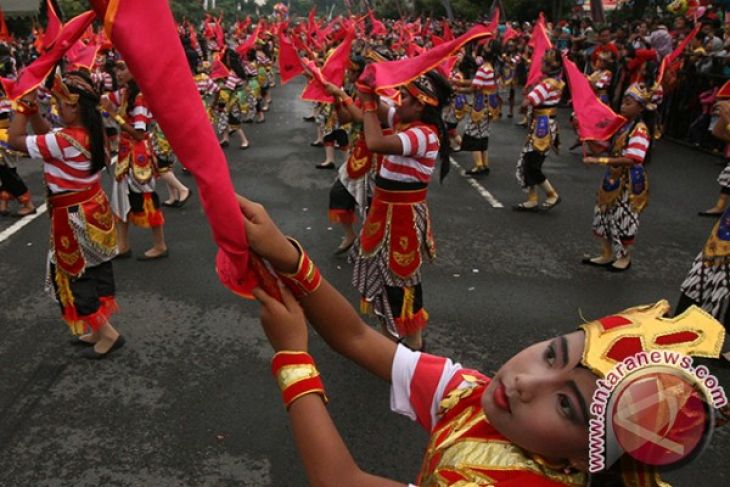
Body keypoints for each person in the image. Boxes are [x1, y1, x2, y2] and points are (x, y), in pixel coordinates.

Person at [237, 194, 726, 486]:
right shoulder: (473, 394)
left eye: (566, 406)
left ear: (585, 458)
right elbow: (358, 337)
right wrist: (288, 256)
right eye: (553, 353)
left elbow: (340, 480)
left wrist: (292, 358)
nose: (525, 383)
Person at [7, 72, 125, 358]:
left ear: (76, 107)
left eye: (61, 104)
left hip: (73, 217)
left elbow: (14, 140)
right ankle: (98, 329)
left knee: (76, 275)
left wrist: (22, 106)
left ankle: (108, 334)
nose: (57, 109)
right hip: (93, 209)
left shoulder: (66, 140)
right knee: (94, 269)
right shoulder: (92, 133)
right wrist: (36, 113)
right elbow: (47, 135)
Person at [351, 71, 452, 351]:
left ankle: (413, 345)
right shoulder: (409, 122)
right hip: (385, 211)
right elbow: (385, 112)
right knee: (382, 279)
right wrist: (367, 91)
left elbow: (375, 142)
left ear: (420, 104)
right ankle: (392, 340)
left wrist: (368, 104)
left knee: (401, 283)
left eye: (404, 96)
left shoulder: (423, 134)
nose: (397, 101)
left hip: (403, 218)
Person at [582, 81, 658, 272]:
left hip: (629, 180)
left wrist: (600, 161)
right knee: (603, 213)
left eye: (629, 103)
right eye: (623, 101)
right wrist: (588, 137)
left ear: (640, 108)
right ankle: (607, 253)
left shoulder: (639, 129)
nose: (623, 105)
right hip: (613, 176)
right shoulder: (622, 125)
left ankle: (624, 257)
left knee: (623, 217)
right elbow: (608, 147)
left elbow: (634, 158)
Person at [102, 60, 169, 261]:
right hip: (124, 155)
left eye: (122, 68)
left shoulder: (140, 98)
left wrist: (114, 115)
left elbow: (140, 134)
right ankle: (123, 245)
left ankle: (160, 245)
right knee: (119, 199)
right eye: (117, 69)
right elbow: (102, 99)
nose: (118, 73)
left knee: (147, 199)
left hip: (139, 156)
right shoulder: (125, 94)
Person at [513, 48, 563, 211]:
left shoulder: (548, 83)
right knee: (529, 160)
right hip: (543, 123)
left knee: (531, 162)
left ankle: (551, 194)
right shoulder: (555, 81)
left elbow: (529, 101)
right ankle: (532, 198)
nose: (542, 63)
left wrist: (523, 105)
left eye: (546, 61)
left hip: (542, 126)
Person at [452, 40, 501, 176]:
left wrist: (458, 89)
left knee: (474, 133)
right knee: (483, 133)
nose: (483, 47)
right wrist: (459, 83)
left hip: (481, 105)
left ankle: (479, 166)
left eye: (487, 46)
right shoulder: (491, 68)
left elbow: (474, 88)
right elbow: (476, 83)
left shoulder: (484, 69)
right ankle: (484, 164)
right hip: (490, 104)